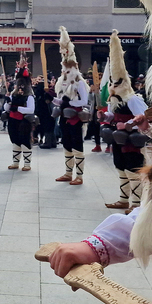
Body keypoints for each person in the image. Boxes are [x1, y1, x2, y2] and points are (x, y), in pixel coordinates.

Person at [98, 31, 150, 211]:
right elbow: (113, 115)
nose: (112, 87)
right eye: (112, 83)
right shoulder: (114, 100)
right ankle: (123, 199)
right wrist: (106, 117)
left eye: (116, 83)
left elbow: (144, 117)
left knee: (133, 168)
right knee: (120, 166)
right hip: (119, 138)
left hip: (133, 140)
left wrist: (128, 125)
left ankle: (136, 204)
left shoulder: (133, 99)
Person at [54, 27, 90, 186]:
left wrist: (70, 104)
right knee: (66, 145)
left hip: (75, 117)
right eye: (64, 69)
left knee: (77, 146)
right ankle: (68, 173)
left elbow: (84, 101)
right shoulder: (61, 82)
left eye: (67, 69)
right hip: (63, 117)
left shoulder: (80, 82)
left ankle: (79, 176)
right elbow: (59, 96)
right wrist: (59, 101)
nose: (65, 71)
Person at [6, 60, 35, 171]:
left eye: (22, 85)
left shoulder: (29, 96)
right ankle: (15, 163)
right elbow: (7, 108)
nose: (20, 87)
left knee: (24, 141)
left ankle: (27, 164)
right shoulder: (13, 95)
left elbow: (31, 109)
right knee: (15, 141)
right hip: (13, 120)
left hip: (23, 121)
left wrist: (17, 108)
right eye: (19, 85)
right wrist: (8, 102)